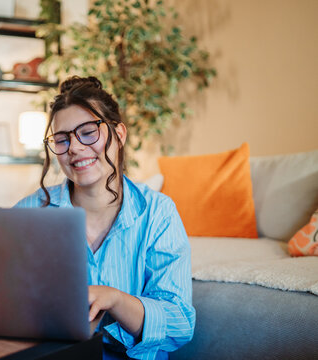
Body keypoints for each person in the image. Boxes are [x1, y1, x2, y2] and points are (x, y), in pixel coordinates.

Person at [14, 76, 195, 360]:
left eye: (88, 132)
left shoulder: (158, 213)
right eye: (62, 139)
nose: (73, 147)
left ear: (119, 135)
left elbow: (179, 324)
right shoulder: (28, 212)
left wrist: (115, 300)